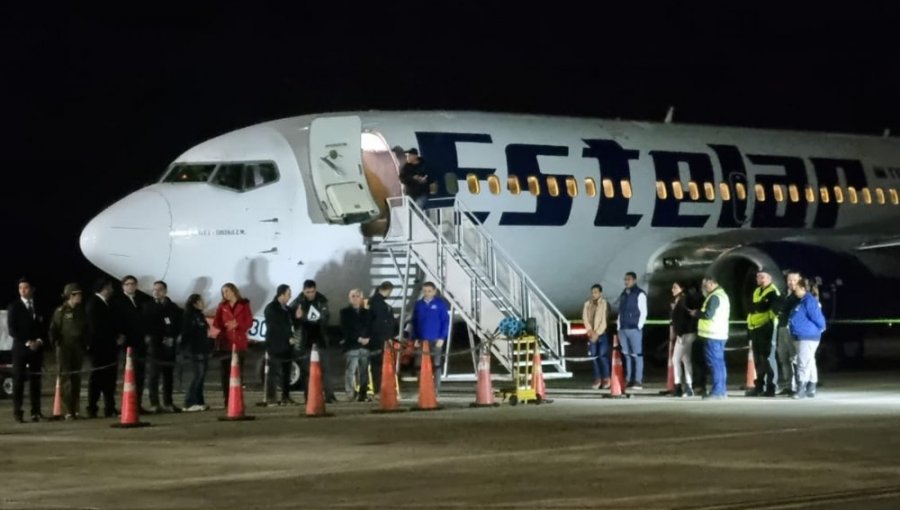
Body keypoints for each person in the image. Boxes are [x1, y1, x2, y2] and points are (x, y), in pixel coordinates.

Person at [290, 279, 337, 403]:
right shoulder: (297, 302)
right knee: (307, 372)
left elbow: (325, 318)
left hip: (321, 340)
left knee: (326, 370)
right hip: (305, 342)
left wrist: (304, 317)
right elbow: (291, 321)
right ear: (303, 290)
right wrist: (297, 318)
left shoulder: (322, 300)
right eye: (307, 292)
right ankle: (309, 396)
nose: (310, 294)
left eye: (312, 291)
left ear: (315, 290)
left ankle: (329, 396)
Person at [7, 277, 47, 422]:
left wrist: (39, 341)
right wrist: (28, 342)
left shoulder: (39, 305)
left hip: (37, 349)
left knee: (36, 381)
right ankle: (18, 412)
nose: (23, 290)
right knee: (18, 381)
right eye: (20, 288)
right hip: (20, 350)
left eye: (26, 287)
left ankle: (36, 411)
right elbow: (12, 330)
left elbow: (44, 326)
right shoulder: (14, 307)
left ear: (32, 289)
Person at [49, 283, 88, 420]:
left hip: (78, 348)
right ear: (72, 295)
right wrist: (55, 343)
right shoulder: (60, 311)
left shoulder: (80, 310)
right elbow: (53, 329)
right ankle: (67, 411)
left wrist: (86, 343)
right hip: (65, 348)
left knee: (76, 378)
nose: (80, 297)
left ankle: (76, 410)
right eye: (78, 294)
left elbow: (85, 328)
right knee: (66, 379)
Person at [142, 280, 183, 413]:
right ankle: (154, 403)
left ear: (165, 291)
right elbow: (146, 325)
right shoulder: (147, 306)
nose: (156, 292)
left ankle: (168, 402)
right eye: (154, 289)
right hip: (155, 345)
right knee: (154, 375)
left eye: (159, 289)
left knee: (168, 376)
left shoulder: (173, 307)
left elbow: (178, 324)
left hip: (169, 346)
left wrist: (174, 337)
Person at [112, 275, 150, 413]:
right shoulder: (118, 301)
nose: (131, 286)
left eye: (133, 284)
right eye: (128, 284)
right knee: (128, 375)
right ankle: (127, 405)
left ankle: (137, 404)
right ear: (123, 286)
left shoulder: (140, 300)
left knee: (140, 375)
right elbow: (117, 322)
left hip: (140, 342)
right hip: (127, 343)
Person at [213, 283, 253, 407]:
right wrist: (225, 325)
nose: (225, 294)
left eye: (227, 291)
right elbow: (216, 322)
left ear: (234, 291)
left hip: (239, 342)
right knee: (225, 374)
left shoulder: (244, 305)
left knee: (238, 373)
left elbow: (249, 322)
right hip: (226, 343)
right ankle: (227, 400)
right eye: (223, 292)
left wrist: (238, 324)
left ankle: (238, 400)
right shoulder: (222, 306)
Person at [86, 277, 121, 418]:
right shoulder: (93, 304)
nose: (112, 290)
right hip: (99, 348)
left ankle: (109, 406)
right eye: (110, 287)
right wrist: (113, 336)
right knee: (97, 379)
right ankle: (92, 407)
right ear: (104, 288)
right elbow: (96, 327)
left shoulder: (107, 303)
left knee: (110, 379)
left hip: (109, 348)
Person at [789, 278, 826, 399]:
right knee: (809, 361)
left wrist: (822, 327)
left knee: (803, 362)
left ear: (804, 289)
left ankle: (801, 389)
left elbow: (817, 317)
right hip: (802, 335)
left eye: (798, 288)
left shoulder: (809, 301)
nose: (795, 290)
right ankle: (811, 387)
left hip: (807, 336)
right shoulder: (803, 301)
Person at [694, 276, 730, 400]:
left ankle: (718, 391)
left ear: (711, 283)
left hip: (712, 334)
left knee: (715, 363)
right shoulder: (722, 295)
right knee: (719, 363)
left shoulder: (714, 297)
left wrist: (696, 313)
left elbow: (708, 314)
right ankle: (721, 390)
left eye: (705, 285)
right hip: (719, 334)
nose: (704, 288)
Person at [745, 270, 780, 397]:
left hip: (766, 327)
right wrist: (756, 306)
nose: (759, 279)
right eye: (758, 276)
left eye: (762, 277)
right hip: (755, 327)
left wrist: (756, 306)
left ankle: (771, 387)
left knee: (767, 358)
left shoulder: (772, 292)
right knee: (758, 359)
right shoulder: (756, 290)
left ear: (770, 278)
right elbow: (750, 306)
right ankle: (759, 386)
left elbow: (763, 307)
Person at [411, 282, 450, 396]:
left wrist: (442, 337)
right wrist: (415, 338)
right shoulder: (418, 304)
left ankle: (436, 389)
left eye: (429, 291)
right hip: (422, 339)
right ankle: (422, 388)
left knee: (436, 365)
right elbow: (414, 322)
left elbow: (445, 322)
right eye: (425, 291)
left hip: (436, 339)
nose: (427, 293)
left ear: (434, 291)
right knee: (419, 365)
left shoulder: (440, 304)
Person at [264, 284, 296, 406]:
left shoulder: (287, 309)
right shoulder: (271, 308)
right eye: (288, 294)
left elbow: (292, 323)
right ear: (281, 294)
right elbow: (275, 327)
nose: (289, 297)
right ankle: (271, 398)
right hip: (275, 345)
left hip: (287, 346)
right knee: (273, 372)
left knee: (287, 372)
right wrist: (287, 336)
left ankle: (285, 396)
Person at [340, 289, 373, 401]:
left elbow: (370, 327)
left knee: (364, 372)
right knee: (350, 371)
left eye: (357, 296)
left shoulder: (368, 313)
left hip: (365, 346)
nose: (355, 298)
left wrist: (368, 339)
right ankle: (350, 394)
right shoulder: (344, 312)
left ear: (361, 297)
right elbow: (346, 329)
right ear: (349, 298)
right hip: (351, 346)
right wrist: (359, 338)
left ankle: (362, 394)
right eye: (353, 296)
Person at [616, 271, 647, 389]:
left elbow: (643, 312)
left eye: (628, 279)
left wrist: (639, 326)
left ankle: (638, 379)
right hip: (623, 328)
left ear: (634, 280)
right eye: (625, 279)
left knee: (637, 355)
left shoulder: (640, 294)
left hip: (634, 328)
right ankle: (628, 379)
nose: (626, 282)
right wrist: (619, 326)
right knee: (627, 355)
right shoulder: (624, 293)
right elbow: (621, 311)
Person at [181, 294, 211, 412]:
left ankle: (199, 401)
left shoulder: (200, 315)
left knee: (201, 376)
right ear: (195, 303)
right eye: (201, 301)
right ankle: (189, 402)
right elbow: (186, 333)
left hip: (202, 349)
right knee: (197, 376)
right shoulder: (189, 316)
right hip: (195, 350)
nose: (203, 303)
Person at [775, 271, 802, 395]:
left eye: (794, 280)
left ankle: (797, 386)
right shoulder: (784, 294)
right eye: (789, 280)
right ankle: (787, 385)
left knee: (794, 358)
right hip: (782, 328)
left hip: (793, 329)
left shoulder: (800, 296)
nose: (791, 283)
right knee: (783, 358)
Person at [670, 281, 698, 397]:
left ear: (682, 288)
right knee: (686, 360)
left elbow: (685, 318)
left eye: (675, 287)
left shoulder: (684, 301)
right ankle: (689, 386)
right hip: (685, 333)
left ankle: (678, 386)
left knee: (675, 359)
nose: (672, 289)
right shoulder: (679, 301)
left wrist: (680, 333)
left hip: (685, 334)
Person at [368, 281, 396, 394]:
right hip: (379, 338)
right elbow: (381, 322)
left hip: (377, 337)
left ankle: (379, 387)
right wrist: (388, 336)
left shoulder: (375, 301)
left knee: (378, 364)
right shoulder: (379, 303)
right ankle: (378, 388)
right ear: (388, 290)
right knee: (378, 364)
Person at [582, 283, 610, 390]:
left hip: (601, 334)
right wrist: (590, 331)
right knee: (594, 357)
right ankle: (597, 378)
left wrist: (597, 333)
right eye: (592, 292)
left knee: (602, 356)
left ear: (600, 293)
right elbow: (585, 318)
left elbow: (604, 320)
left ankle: (606, 377)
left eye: (596, 292)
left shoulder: (604, 304)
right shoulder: (587, 304)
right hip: (591, 334)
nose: (594, 294)